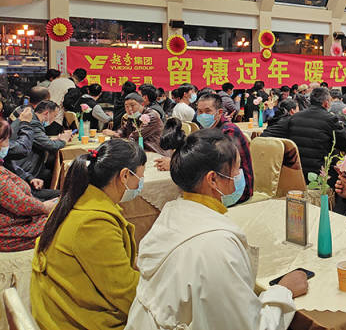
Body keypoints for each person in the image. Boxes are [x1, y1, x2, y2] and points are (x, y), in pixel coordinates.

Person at [125, 129, 308, 329]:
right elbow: (247, 326)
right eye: (236, 169)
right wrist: (282, 291)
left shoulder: (171, 215)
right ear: (213, 180)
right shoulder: (216, 246)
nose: (239, 175)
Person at [31, 139, 146, 330]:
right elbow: (126, 293)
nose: (140, 183)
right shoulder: (94, 224)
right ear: (125, 175)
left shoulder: (75, 199)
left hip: (57, 310)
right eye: (140, 177)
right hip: (75, 321)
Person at [261, 87, 346, 179]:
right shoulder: (330, 119)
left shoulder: (295, 117)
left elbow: (267, 134)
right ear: (326, 103)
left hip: (294, 171)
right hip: (320, 174)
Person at [0, 118, 57, 251]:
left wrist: (29, 178)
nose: (8, 145)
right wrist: (44, 207)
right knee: (63, 221)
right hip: (9, 230)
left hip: (20, 215)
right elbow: (20, 203)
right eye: (7, 140)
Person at [13, 101, 72, 185]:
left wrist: (56, 139)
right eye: (54, 116)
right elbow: (50, 146)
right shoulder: (33, 123)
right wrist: (63, 141)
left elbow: (37, 139)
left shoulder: (31, 118)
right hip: (22, 169)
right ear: (46, 113)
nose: (54, 120)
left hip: (20, 164)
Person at [103, 93, 168, 156]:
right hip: (139, 150)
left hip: (154, 152)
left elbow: (135, 136)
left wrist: (115, 135)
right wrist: (116, 133)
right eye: (126, 106)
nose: (129, 109)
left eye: (132, 105)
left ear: (142, 104)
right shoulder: (132, 116)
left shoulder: (151, 117)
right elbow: (124, 129)